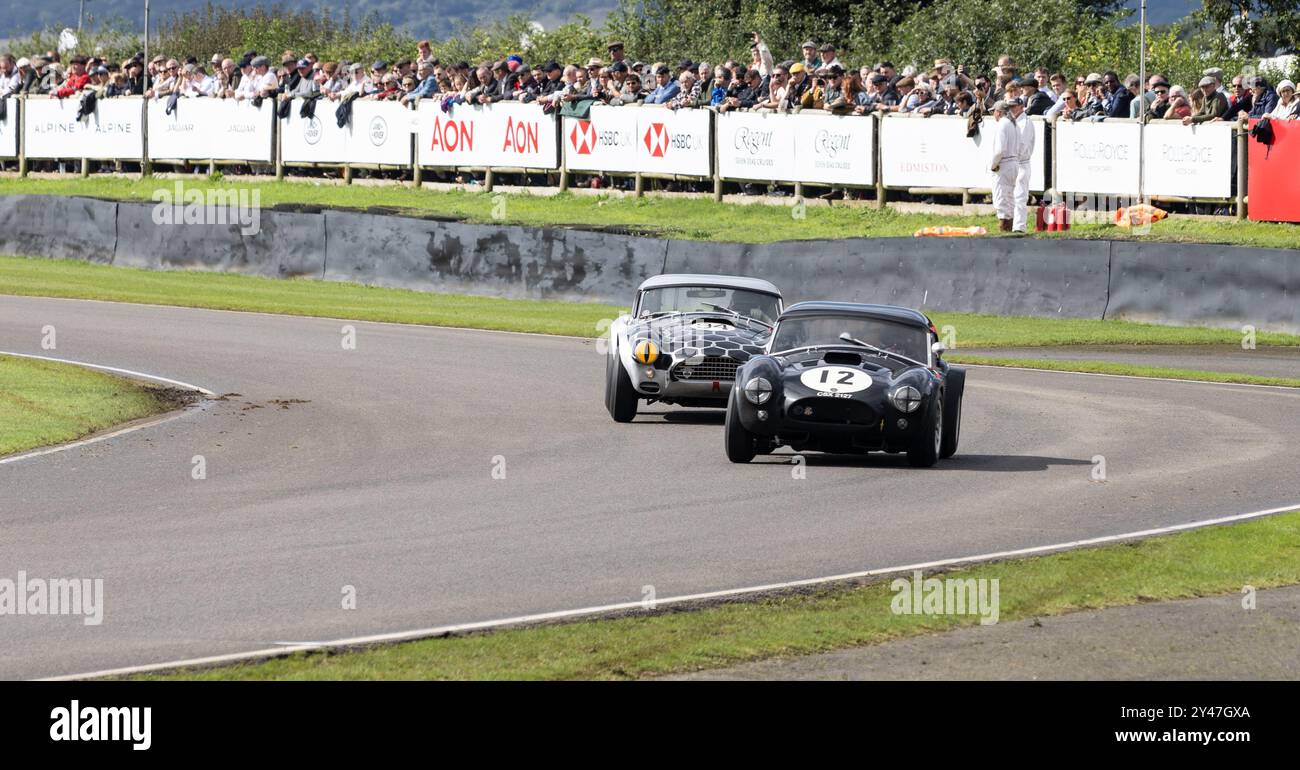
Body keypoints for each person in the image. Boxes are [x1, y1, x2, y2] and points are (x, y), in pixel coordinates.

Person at [988, 100, 1019, 233]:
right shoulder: (1013, 124)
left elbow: (1000, 150)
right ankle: (1009, 227)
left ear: (999, 112)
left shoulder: (1002, 124)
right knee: (1009, 198)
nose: (993, 114)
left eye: (994, 111)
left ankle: (1004, 230)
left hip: (1004, 164)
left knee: (1001, 198)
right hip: (1013, 162)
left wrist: (993, 164)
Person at [1011, 97, 1035, 233]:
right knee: (1011, 195)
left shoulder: (1025, 122)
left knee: (1020, 196)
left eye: (1014, 106)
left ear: (1021, 107)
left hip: (1021, 162)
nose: (1012, 109)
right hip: (1014, 162)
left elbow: (1022, 145)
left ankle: (1019, 226)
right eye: (1010, 107)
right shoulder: (1014, 121)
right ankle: (1012, 223)